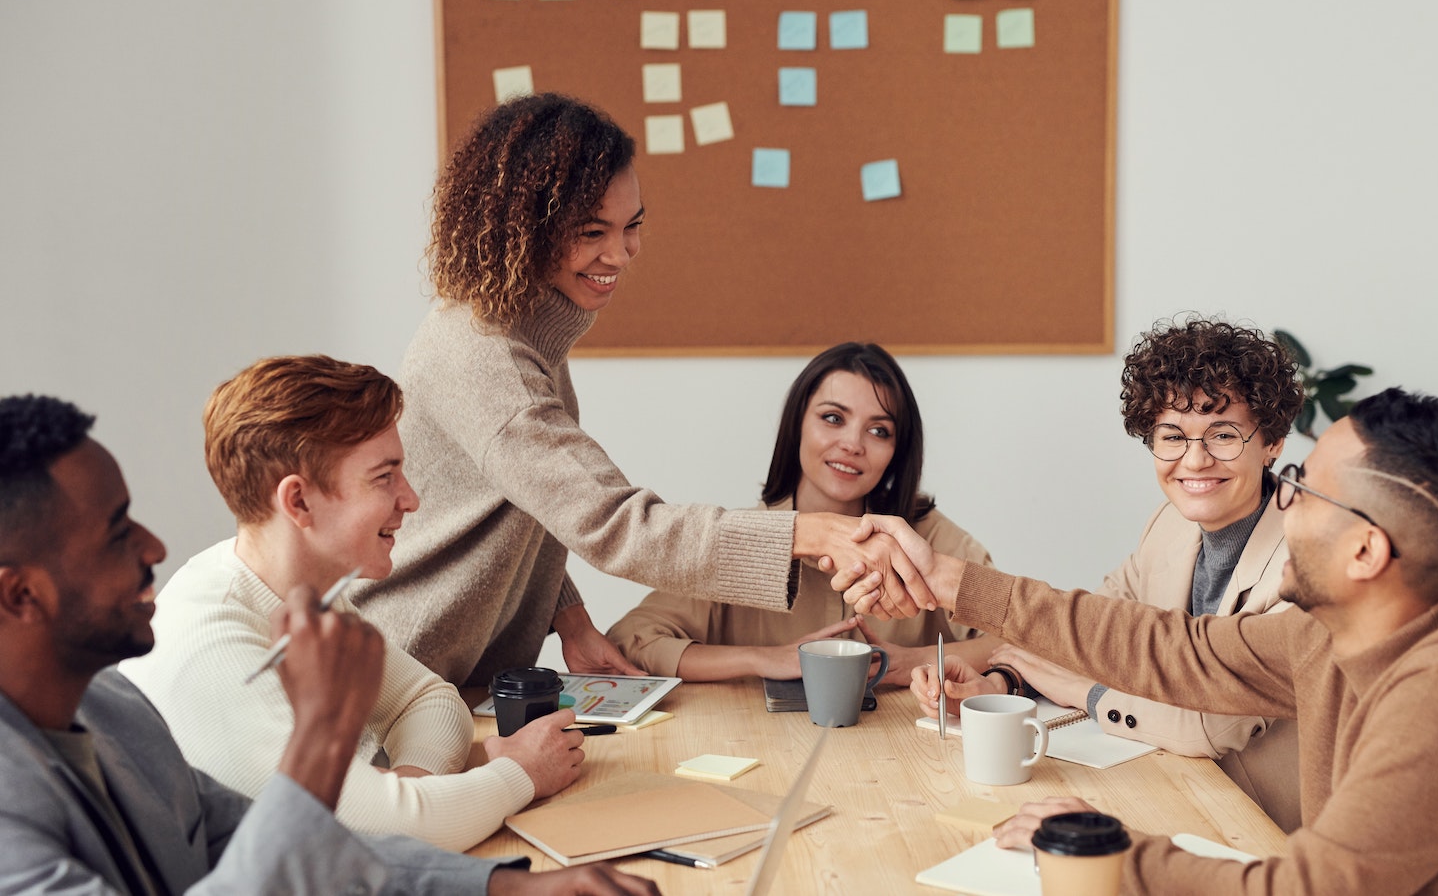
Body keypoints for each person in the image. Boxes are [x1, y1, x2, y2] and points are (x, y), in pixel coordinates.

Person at [848, 388, 1438, 894]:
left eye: (1299, 485)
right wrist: (954, 581)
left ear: (1365, 551)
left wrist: (1116, 852)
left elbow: (1306, 889)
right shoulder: (1333, 633)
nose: (1280, 499)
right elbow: (1173, 650)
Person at [351, 93, 932, 687]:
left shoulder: (521, 332)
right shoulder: (488, 358)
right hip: (400, 678)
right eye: (591, 231)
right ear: (523, 231)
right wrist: (804, 533)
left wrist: (570, 619)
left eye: (632, 226)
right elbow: (616, 523)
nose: (620, 253)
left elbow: (531, 504)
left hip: (456, 679)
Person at [0, 394, 660, 895]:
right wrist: (323, 736)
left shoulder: (111, 707)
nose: (155, 547)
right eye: (117, 533)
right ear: (19, 595)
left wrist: (509, 886)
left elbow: (296, 841)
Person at [120, 356, 583, 851]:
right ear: (297, 502)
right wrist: (519, 773)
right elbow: (375, 836)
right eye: (384, 477)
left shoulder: (300, 590)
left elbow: (430, 700)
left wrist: (409, 793)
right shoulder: (213, 645)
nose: (411, 500)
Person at [912, 317, 1305, 829]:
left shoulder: (1304, 560)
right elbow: (1092, 631)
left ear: (1271, 441)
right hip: (1177, 793)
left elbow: (1211, 726)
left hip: (1269, 828)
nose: (1195, 459)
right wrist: (1002, 682)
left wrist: (1084, 693)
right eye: (1172, 436)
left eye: (1223, 434)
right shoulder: (1169, 524)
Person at [607, 342, 996, 684]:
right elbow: (631, 640)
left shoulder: (930, 539)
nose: (852, 444)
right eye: (833, 418)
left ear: (898, 452)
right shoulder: (743, 541)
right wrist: (764, 658)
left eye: (879, 431)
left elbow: (1024, 641)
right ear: (797, 425)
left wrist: (918, 660)